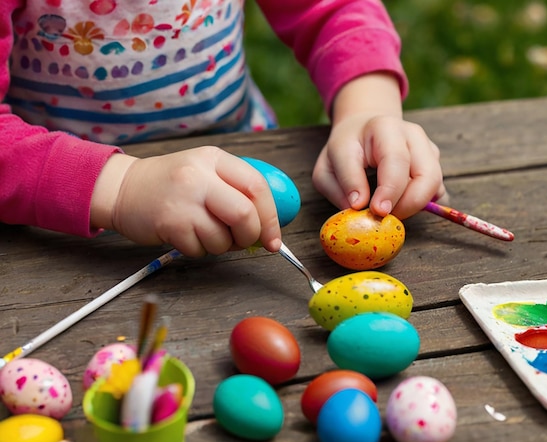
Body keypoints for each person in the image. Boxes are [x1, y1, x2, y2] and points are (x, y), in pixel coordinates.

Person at [0, 0, 445, 258]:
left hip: (237, 147)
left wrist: (366, 109)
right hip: (67, 210)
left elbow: (331, 10)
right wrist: (121, 189)